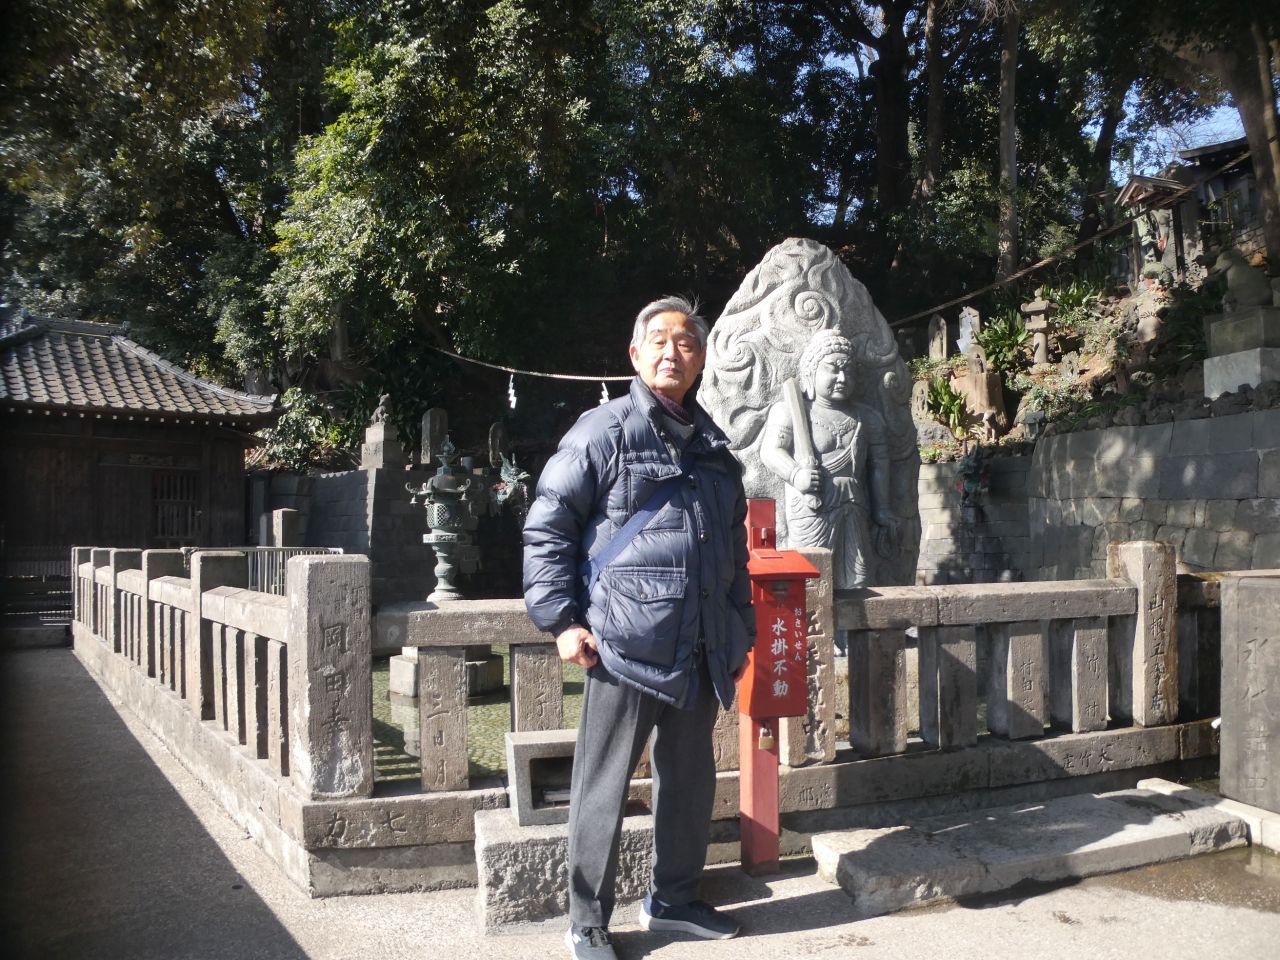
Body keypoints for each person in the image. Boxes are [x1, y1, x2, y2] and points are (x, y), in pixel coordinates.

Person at [523, 296, 755, 960]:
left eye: (685, 342)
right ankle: (586, 921)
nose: (671, 352)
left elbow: (733, 553)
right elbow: (548, 527)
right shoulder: (603, 431)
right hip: (621, 645)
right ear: (635, 353)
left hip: (701, 645)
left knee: (690, 782)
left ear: (701, 359)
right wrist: (561, 620)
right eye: (658, 340)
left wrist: (739, 630)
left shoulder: (715, 449)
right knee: (602, 786)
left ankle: (673, 900)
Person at [759, 330, 899, 589]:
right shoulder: (792, 410)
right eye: (833, 369)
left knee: (858, 578)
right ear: (811, 371)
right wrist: (795, 475)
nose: (842, 378)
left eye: (849, 371)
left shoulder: (867, 418)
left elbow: (879, 465)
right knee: (810, 578)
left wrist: (882, 509)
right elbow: (771, 451)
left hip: (854, 504)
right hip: (811, 506)